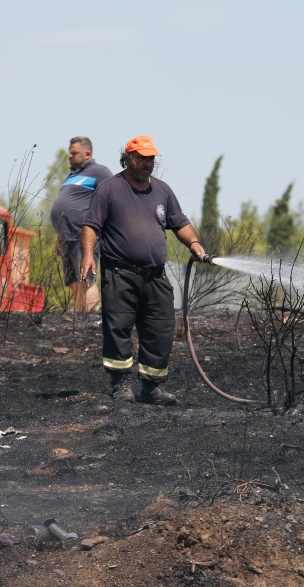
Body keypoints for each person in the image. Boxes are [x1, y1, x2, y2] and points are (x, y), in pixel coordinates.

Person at [79, 135, 207, 405]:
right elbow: (91, 225)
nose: (147, 164)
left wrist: (194, 243)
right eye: (141, 158)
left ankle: (151, 388)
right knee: (119, 329)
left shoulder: (162, 191)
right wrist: (88, 255)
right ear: (127, 158)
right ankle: (122, 385)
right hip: (120, 274)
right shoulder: (109, 189)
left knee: (160, 330)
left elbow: (180, 222)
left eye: (151, 159)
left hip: (155, 276)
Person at [49, 136, 112, 312]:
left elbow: (114, 195)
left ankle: (90, 319)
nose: (70, 156)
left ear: (87, 154)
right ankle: (79, 319)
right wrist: (59, 238)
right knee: (74, 283)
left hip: (84, 235)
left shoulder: (99, 172)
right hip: (67, 237)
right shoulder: (71, 176)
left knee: (87, 281)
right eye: (69, 153)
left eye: (74, 153)